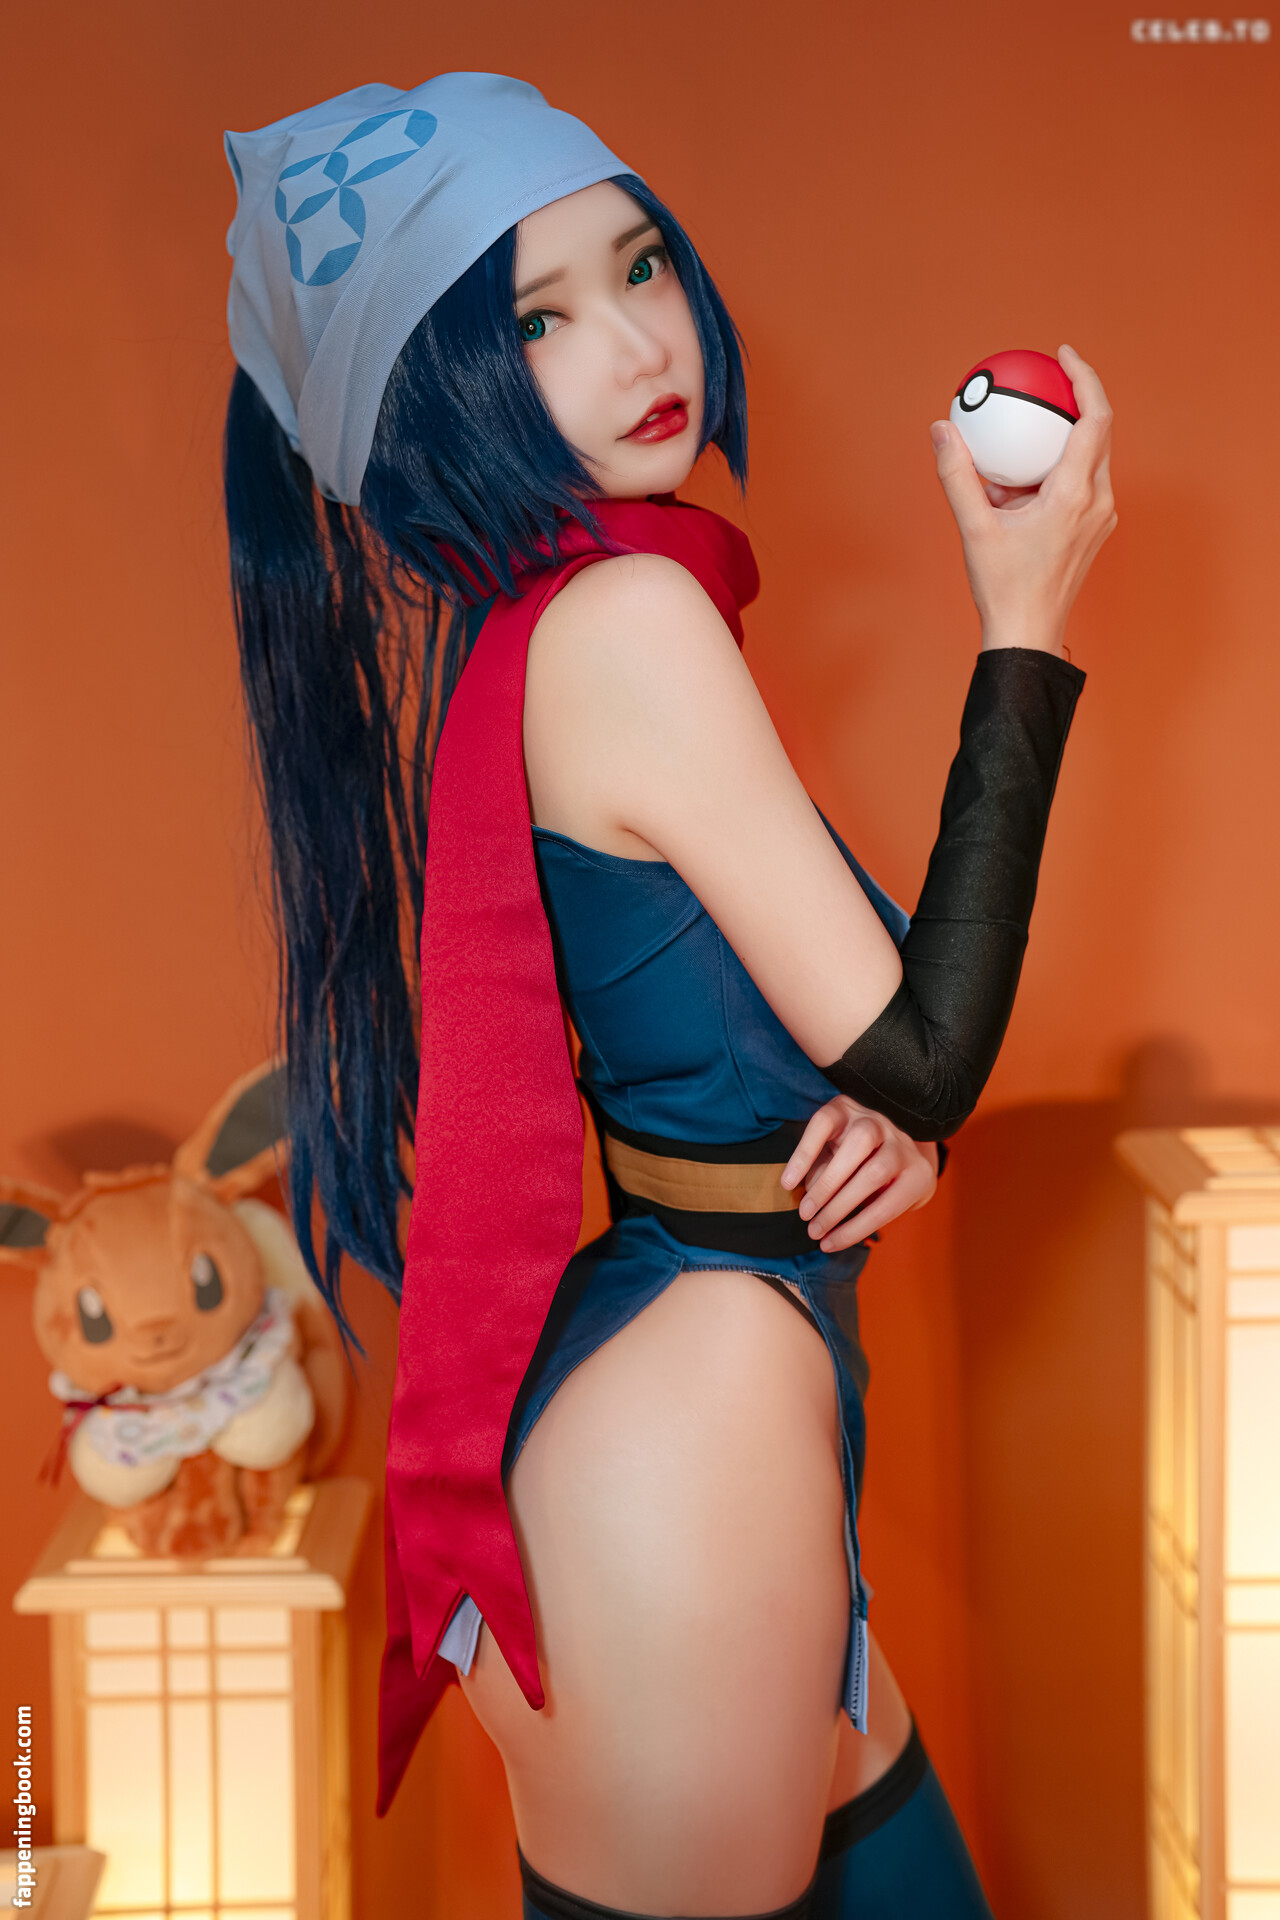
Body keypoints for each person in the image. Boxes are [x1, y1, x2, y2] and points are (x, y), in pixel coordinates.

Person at [220, 73, 1115, 1920]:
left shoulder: (574, 613)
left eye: (639, 266)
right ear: (437, 403)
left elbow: (798, 1040)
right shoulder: (630, 627)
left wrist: (884, 1136)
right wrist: (1026, 614)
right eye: (538, 320)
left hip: (694, 1385)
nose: (640, 344)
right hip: (685, 1453)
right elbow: (923, 1042)